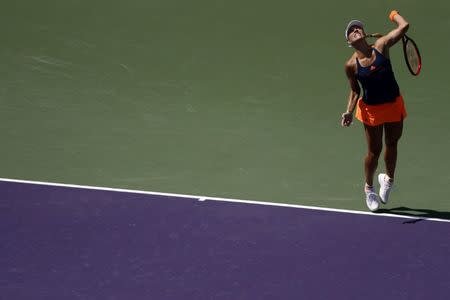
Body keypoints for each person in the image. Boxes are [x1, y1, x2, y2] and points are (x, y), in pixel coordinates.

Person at [341, 10, 409, 212]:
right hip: (371, 110)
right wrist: (348, 111)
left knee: (393, 142)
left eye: (358, 27)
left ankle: (388, 180)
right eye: (351, 31)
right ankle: (369, 189)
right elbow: (355, 90)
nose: (355, 30)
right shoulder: (351, 65)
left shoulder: (381, 46)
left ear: (364, 33)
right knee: (374, 152)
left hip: (393, 103)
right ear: (349, 42)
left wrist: (393, 14)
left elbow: (404, 26)